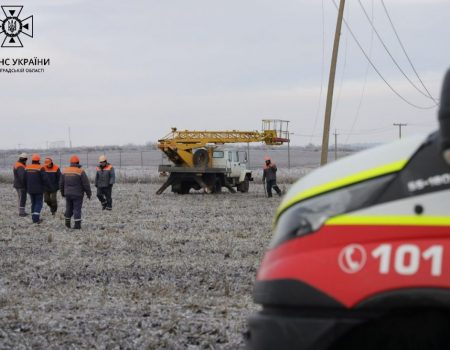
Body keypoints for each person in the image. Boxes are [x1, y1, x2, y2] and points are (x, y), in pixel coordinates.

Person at [60, 155, 92, 229]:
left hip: (67, 194)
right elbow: (86, 184)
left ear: (70, 162)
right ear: (78, 162)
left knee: (68, 208)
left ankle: (67, 223)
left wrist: (63, 193)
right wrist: (88, 193)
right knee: (77, 209)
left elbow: (61, 183)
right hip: (78, 194)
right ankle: (77, 225)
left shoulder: (65, 171)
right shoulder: (80, 171)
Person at [25, 154, 49, 224]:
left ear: (32, 160)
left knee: (33, 203)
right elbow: (45, 179)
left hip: (30, 189)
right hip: (39, 190)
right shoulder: (41, 168)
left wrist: (26, 187)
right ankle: (36, 219)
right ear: (38, 160)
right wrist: (48, 187)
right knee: (38, 203)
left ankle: (33, 218)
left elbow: (24, 179)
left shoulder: (27, 168)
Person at [13, 153, 28, 217]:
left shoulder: (18, 164)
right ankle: (21, 213)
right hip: (21, 185)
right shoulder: (20, 166)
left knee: (20, 198)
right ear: (25, 159)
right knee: (22, 198)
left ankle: (21, 211)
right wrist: (25, 184)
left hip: (18, 184)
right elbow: (22, 177)